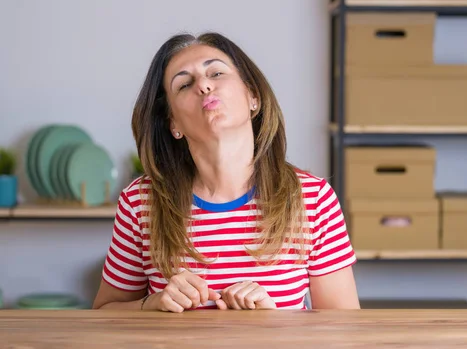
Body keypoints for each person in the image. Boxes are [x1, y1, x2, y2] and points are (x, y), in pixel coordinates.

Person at [92, 32, 360, 312]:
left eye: (216, 73)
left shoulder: (312, 198)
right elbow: (103, 313)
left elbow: (344, 329)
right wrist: (152, 303)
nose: (204, 86)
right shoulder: (140, 202)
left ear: (253, 96)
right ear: (174, 123)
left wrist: (277, 321)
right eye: (184, 84)